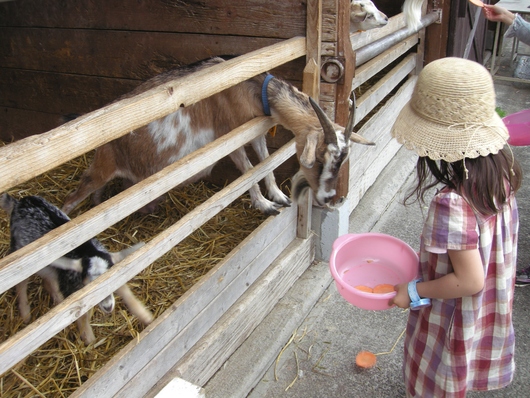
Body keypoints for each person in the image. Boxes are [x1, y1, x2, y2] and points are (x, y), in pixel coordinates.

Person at [389, 57, 522, 397]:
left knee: (437, 382)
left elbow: (468, 280)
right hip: (482, 318)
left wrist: (413, 291)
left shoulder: (452, 203)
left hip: (451, 319)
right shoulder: (501, 176)